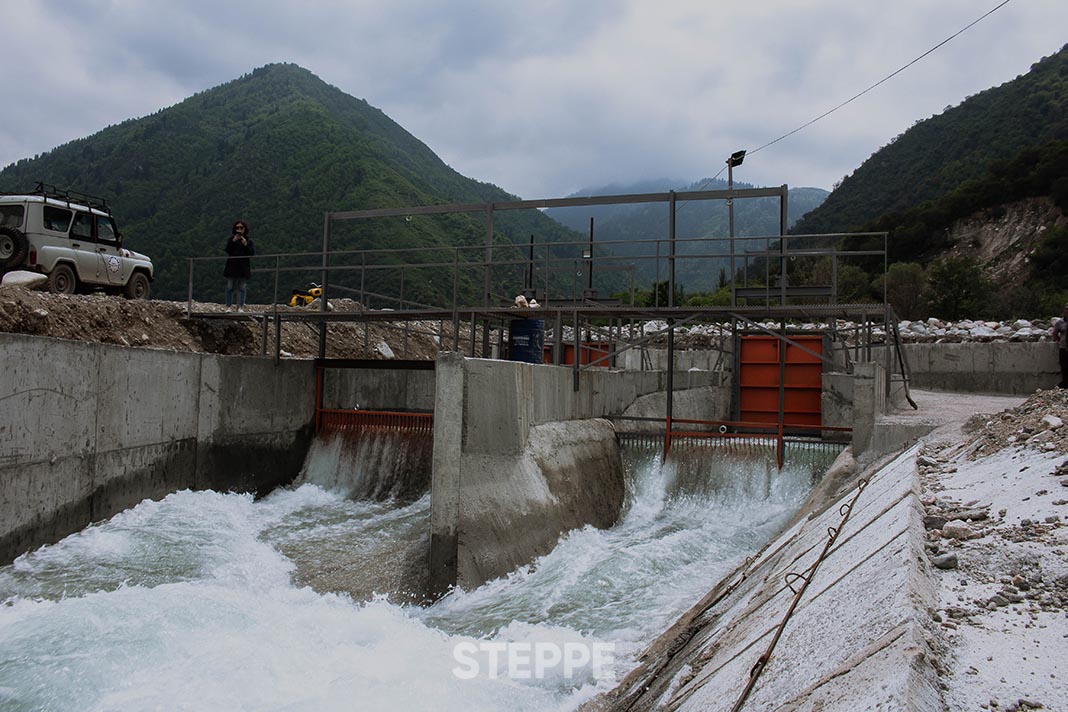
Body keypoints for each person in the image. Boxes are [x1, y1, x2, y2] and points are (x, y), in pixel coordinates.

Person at [223, 220, 254, 311]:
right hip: (232, 266)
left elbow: (251, 253)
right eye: (237, 228)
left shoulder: (248, 240)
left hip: (243, 267)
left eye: (241, 228)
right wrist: (233, 241)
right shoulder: (231, 239)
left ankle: (240, 307)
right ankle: (228, 306)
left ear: (245, 229)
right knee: (230, 287)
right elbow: (227, 250)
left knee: (242, 288)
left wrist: (246, 245)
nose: (239, 230)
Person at [1053, 304, 1068, 388]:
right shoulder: (1060, 322)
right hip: (1063, 348)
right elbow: (1055, 333)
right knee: (1064, 366)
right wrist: (1060, 340)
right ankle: (1065, 383)